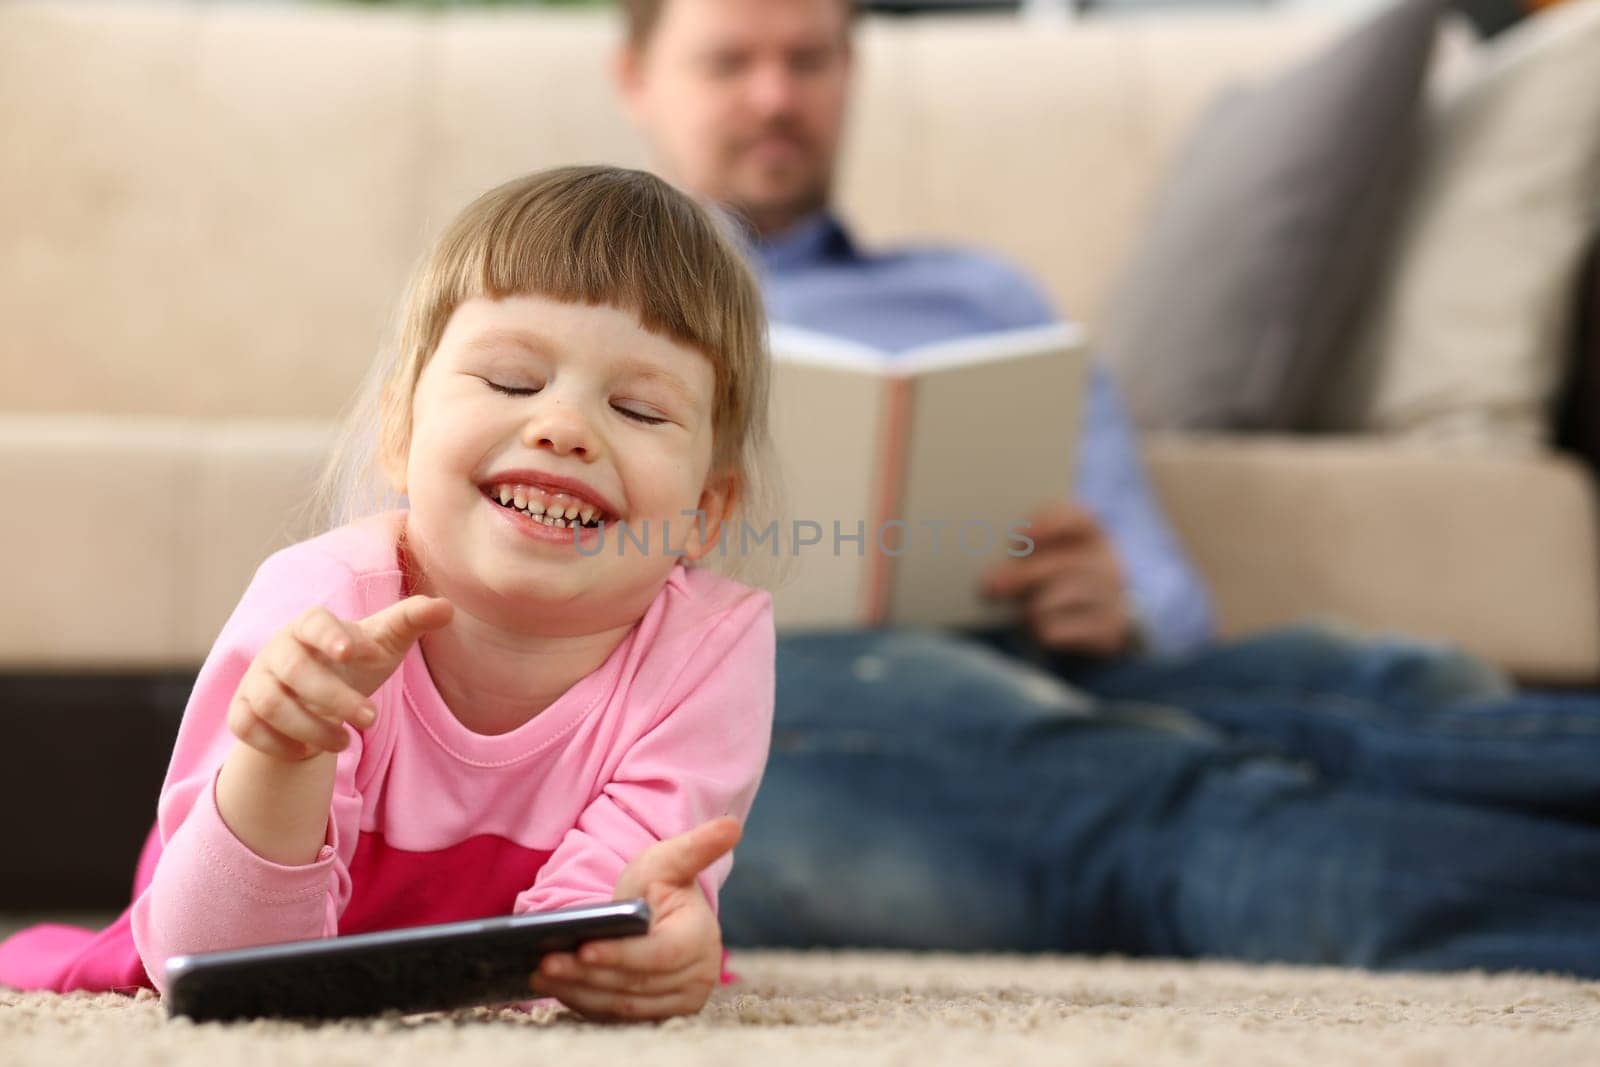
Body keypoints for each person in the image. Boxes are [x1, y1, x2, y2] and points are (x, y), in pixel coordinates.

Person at [616, 0, 1600, 977]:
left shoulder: (982, 299)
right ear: (637, 80)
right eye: (730, 62)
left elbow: (1171, 602)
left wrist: (1113, 598)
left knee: (1391, 689)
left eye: (809, 60)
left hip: (1056, 664)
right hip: (785, 692)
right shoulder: (577, 316)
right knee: (1168, 801)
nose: (776, 95)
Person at [0, 166, 778, 1022]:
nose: (564, 428)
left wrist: (638, 943)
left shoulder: (713, 646)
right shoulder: (326, 605)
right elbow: (220, 965)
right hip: (240, 864)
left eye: (637, 408)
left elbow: (596, 931)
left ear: (705, 512)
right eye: (514, 382)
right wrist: (282, 758)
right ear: (401, 435)